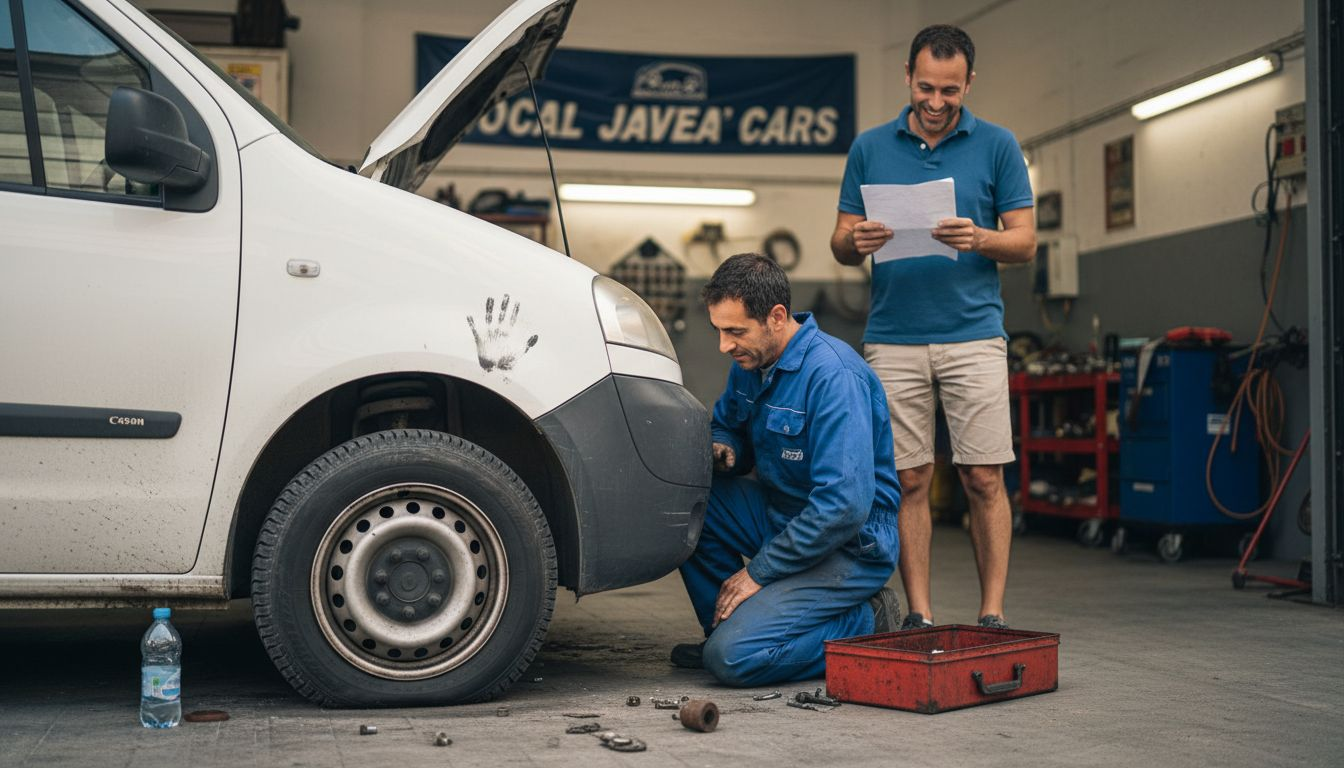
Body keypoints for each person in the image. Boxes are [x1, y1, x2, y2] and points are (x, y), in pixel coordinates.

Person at [829, 24, 1036, 630]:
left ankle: (992, 614)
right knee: (909, 478)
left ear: (969, 82)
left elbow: (1025, 242)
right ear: (908, 78)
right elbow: (839, 243)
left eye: (950, 90)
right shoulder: (869, 147)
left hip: (975, 336)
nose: (937, 102)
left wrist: (981, 238)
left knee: (983, 476)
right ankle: (919, 614)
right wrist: (856, 240)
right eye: (926, 88)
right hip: (893, 338)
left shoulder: (998, 145)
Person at [671, 253, 903, 687]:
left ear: (776, 317)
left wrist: (758, 572)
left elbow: (843, 507)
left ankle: (865, 620)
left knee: (731, 659)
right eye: (719, 330)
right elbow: (727, 424)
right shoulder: (752, 364)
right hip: (783, 518)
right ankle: (725, 626)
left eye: (735, 331)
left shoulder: (834, 376)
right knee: (689, 502)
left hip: (848, 545)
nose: (724, 345)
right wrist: (726, 448)